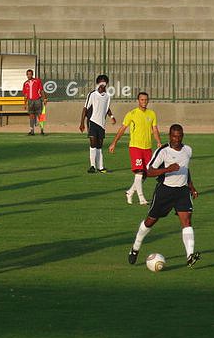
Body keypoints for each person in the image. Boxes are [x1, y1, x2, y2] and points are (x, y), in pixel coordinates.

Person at [127, 124, 201, 268]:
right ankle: (135, 247)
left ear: (182, 136)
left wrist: (192, 187)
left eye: (179, 136)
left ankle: (190, 256)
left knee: (186, 221)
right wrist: (167, 169)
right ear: (169, 136)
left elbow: (186, 170)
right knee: (150, 221)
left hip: (182, 192)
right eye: (174, 136)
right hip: (165, 191)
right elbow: (149, 171)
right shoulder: (163, 151)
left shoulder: (188, 150)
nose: (176, 139)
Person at [108, 91, 162, 205]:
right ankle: (142, 198)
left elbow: (155, 129)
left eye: (146, 100)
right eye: (142, 100)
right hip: (135, 147)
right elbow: (122, 129)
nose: (144, 102)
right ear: (138, 101)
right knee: (139, 172)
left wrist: (158, 142)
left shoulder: (152, 114)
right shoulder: (131, 114)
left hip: (147, 148)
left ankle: (130, 192)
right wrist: (114, 142)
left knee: (146, 173)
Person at [79, 74, 116, 173]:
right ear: (98, 83)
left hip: (102, 124)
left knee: (99, 145)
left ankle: (101, 167)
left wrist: (111, 116)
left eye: (105, 82)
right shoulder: (92, 94)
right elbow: (85, 108)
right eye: (101, 81)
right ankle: (92, 166)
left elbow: (107, 108)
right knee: (93, 144)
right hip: (92, 122)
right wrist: (82, 122)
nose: (103, 84)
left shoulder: (108, 96)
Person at [22, 69, 47, 135]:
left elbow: (41, 90)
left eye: (30, 74)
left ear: (32, 74)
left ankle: (42, 130)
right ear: (26, 75)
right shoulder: (25, 83)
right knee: (31, 116)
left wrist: (44, 99)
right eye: (28, 74)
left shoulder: (37, 81)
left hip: (37, 100)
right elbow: (25, 95)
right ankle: (32, 130)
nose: (29, 75)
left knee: (40, 115)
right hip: (30, 101)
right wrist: (25, 103)